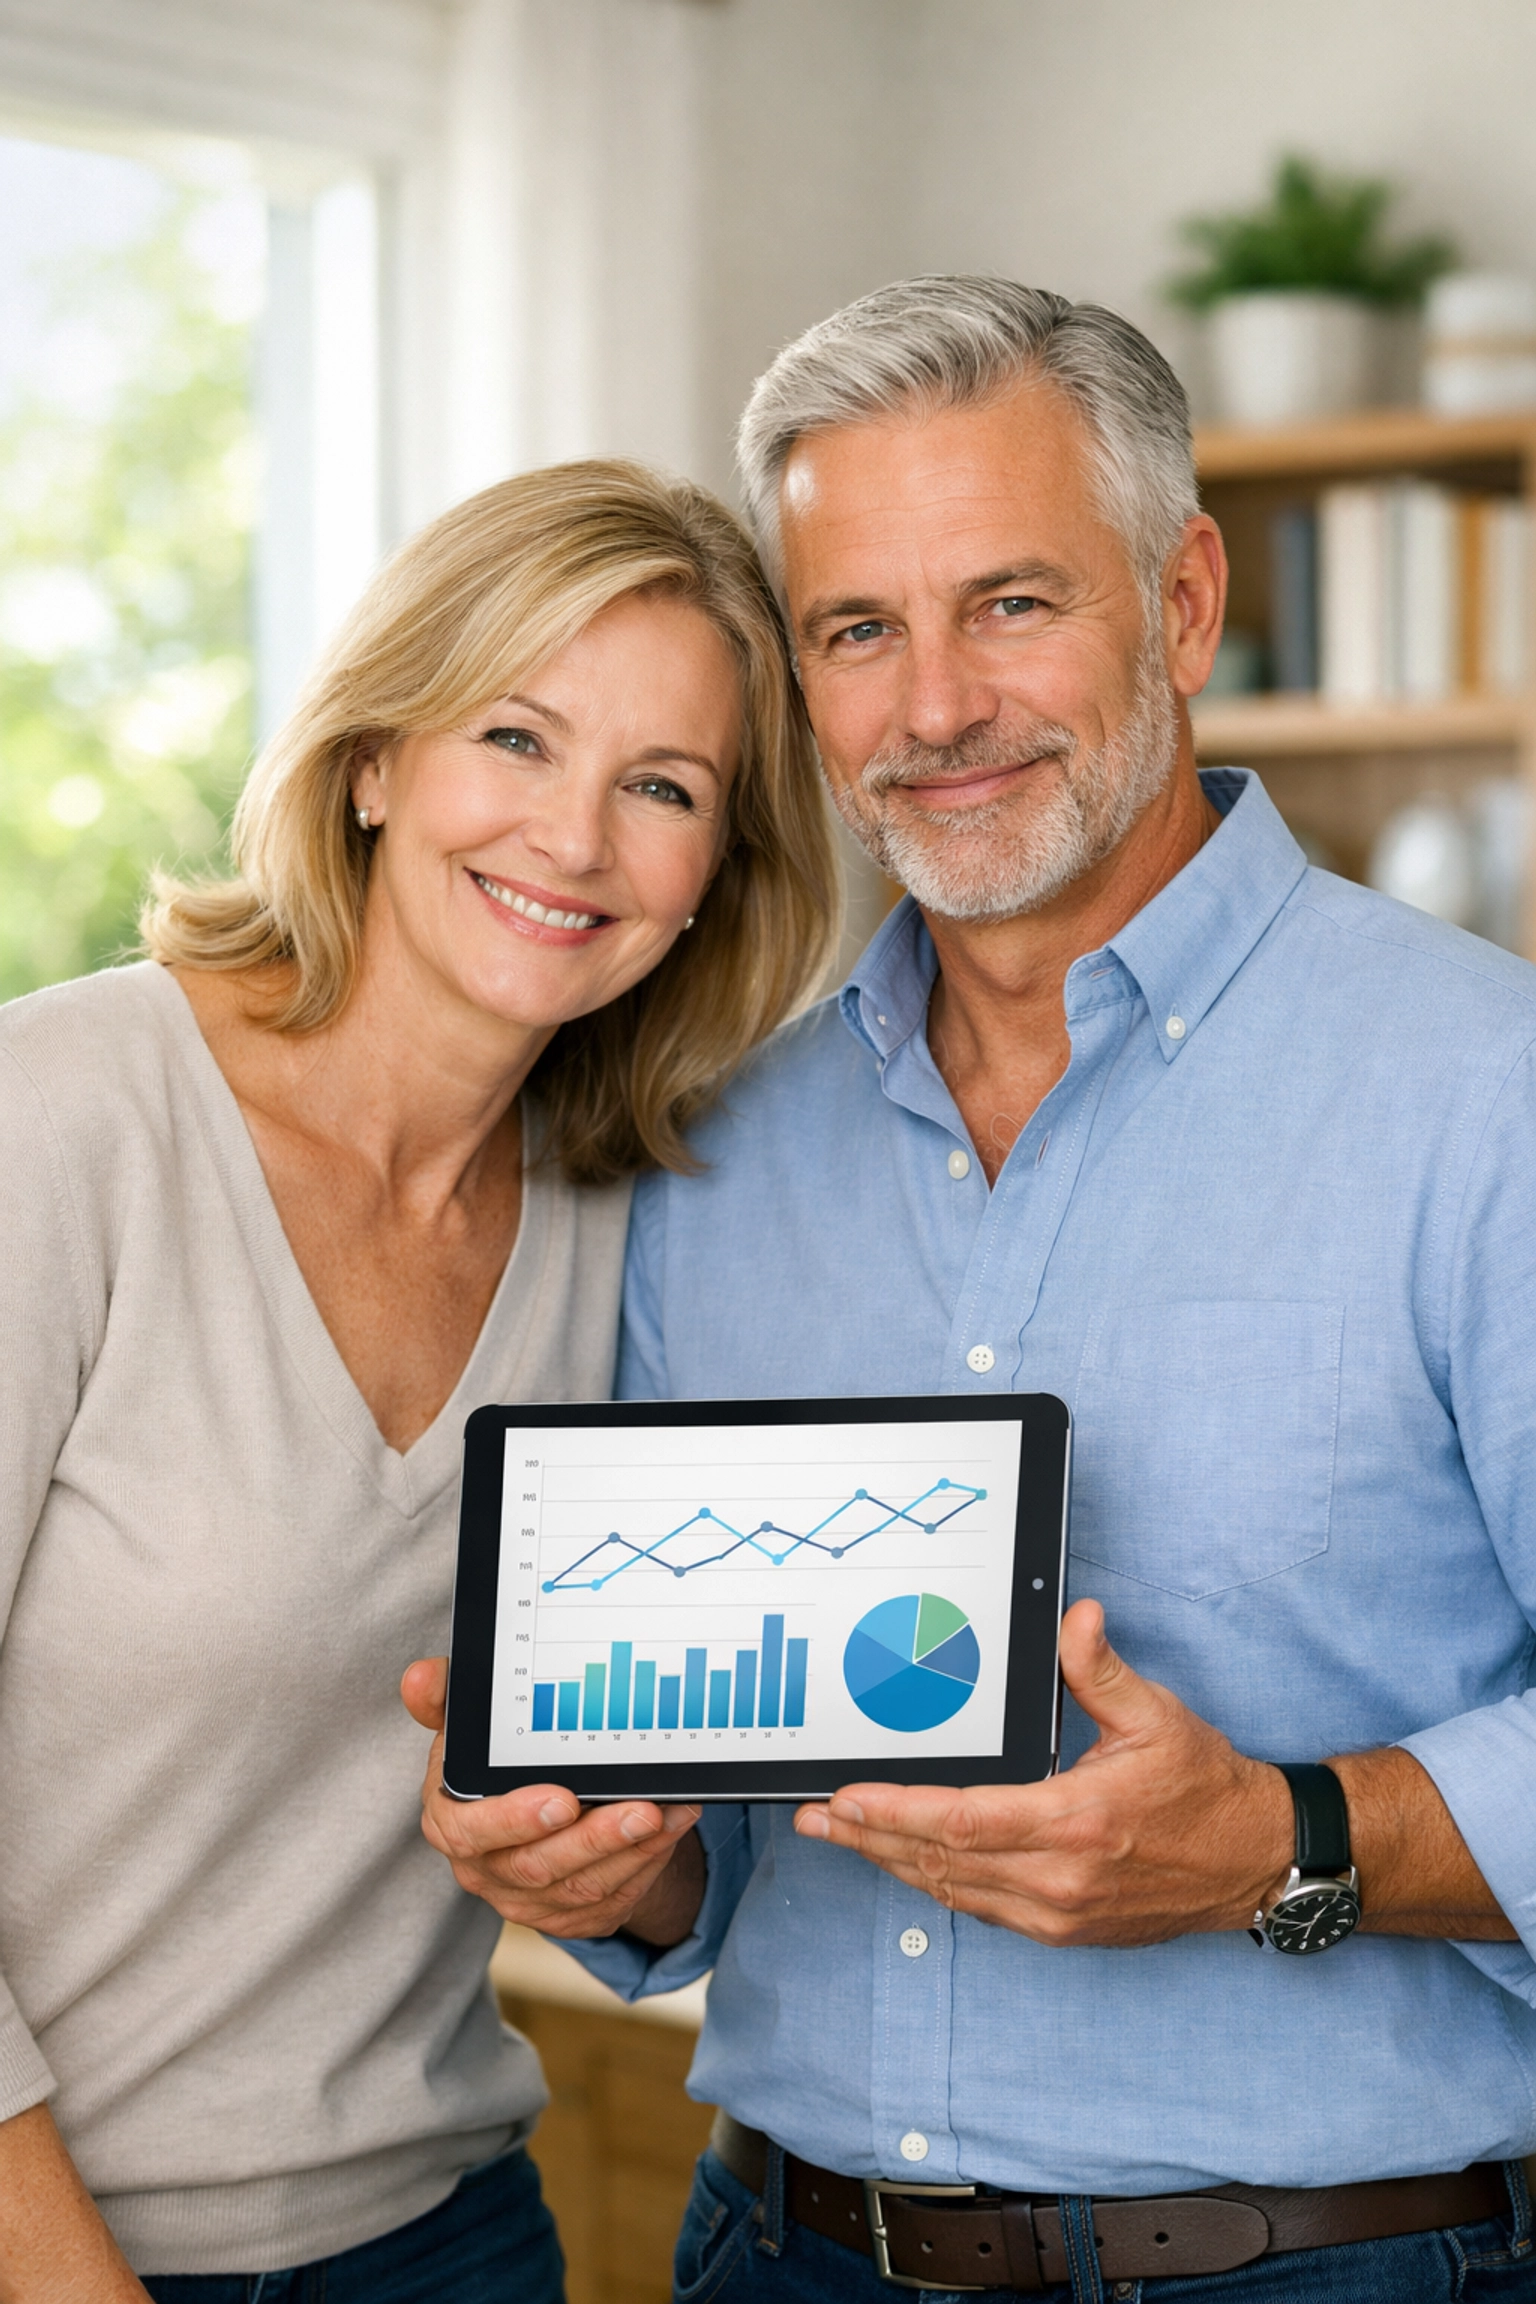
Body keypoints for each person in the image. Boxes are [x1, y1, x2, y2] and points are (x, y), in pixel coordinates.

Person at [407, 281, 1536, 2304]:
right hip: (781, 2247)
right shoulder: (707, 1145)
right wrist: (606, 1853)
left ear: (1181, 606)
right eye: (857, 630)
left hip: (1333, 2269)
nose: (932, 711)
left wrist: (1289, 1840)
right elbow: (706, 1816)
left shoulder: (1490, 1095)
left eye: (1010, 603)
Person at [0, 459, 836, 2301]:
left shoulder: (641, 1228)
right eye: (516, 738)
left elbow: (668, 1841)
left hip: (438, 2234)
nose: (576, 838)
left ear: (714, 878)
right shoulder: (59, 1124)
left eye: (664, 788)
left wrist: (622, 1866)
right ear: (373, 761)